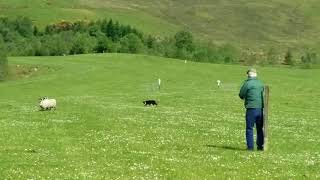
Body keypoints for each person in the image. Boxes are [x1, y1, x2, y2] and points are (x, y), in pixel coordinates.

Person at [239, 68, 264, 151]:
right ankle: (260, 146)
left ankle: (250, 147)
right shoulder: (260, 83)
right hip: (260, 109)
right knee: (259, 128)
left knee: (249, 128)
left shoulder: (247, 83)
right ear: (256, 74)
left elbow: (241, 94)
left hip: (251, 109)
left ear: (248, 75)